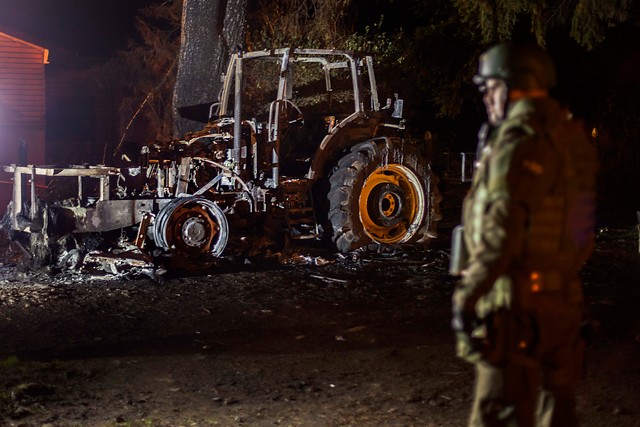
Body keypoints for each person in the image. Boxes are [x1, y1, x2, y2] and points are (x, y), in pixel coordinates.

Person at [451, 42, 597, 426]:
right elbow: (584, 229)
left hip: (515, 307)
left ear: (512, 86)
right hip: (562, 303)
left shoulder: (518, 141)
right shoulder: (572, 138)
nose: (485, 97)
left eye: (489, 88)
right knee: (557, 414)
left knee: (499, 415)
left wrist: (467, 296)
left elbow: (502, 232)